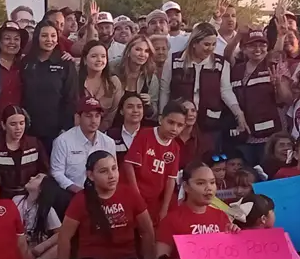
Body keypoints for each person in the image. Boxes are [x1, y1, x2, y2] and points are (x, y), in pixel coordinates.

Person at [57, 150, 154, 259]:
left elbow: (147, 231)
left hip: (126, 258)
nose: (111, 175)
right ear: (91, 175)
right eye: (103, 171)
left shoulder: (130, 194)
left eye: (114, 168)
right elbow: (64, 237)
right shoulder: (81, 200)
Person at [159, 22, 248, 152]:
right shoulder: (173, 61)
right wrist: (162, 115)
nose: (210, 48)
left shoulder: (221, 63)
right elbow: (165, 90)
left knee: (208, 156)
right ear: (194, 43)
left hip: (209, 123)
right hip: (179, 122)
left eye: (213, 44)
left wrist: (238, 114)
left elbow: (226, 91)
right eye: (206, 44)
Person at [122, 102, 187, 224]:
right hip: (134, 197)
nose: (174, 128)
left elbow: (171, 179)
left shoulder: (175, 147)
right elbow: (129, 165)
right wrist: (136, 196)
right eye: (171, 122)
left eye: (180, 125)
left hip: (154, 201)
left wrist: (164, 208)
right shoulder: (145, 135)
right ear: (161, 119)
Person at [20, 20, 79, 146]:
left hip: (56, 131)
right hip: (29, 130)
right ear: (37, 38)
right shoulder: (26, 62)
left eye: (53, 36)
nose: (49, 40)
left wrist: (65, 128)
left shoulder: (65, 63)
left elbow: (71, 98)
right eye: (44, 36)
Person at [231, 29, 284, 165]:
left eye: (262, 45)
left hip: (267, 137)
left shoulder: (273, 67)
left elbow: (286, 100)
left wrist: (278, 85)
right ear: (244, 49)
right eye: (253, 45)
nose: (258, 49)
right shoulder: (236, 70)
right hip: (243, 137)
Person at [50, 99, 116, 199]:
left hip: (102, 195)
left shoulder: (108, 142)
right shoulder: (62, 141)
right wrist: (76, 190)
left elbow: (114, 170)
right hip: (70, 195)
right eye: (88, 116)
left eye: (97, 116)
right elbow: (56, 172)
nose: (93, 120)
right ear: (78, 117)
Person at [0, 106, 48, 199]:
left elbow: (45, 171)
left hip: (30, 196)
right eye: (13, 124)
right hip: (4, 197)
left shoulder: (34, 143)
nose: (18, 128)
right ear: (3, 125)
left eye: (21, 123)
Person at [79, 40, 122, 133]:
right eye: (94, 56)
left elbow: (111, 115)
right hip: (76, 131)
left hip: (102, 133)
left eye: (103, 56)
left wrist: (96, 133)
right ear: (85, 59)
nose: (99, 60)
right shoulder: (75, 79)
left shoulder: (114, 82)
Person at [0, 23, 27, 131]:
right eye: (7, 38)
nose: (12, 42)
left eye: (16, 39)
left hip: (17, 128)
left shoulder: (25, 65)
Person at [115, 35, 160, 118]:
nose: (142, 54)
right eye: (138, 49)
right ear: (128, 51)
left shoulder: (151, 78)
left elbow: (154, 113)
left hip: (138, 122)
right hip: (113, 120)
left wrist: (149, 104)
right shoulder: (113, 68)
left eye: (146, 51)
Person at [111, 92, 148, 161]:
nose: (135, 110)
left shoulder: (150, 136)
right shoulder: (110, 136)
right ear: (121, 111)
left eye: (139, 107)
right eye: (130, 107)